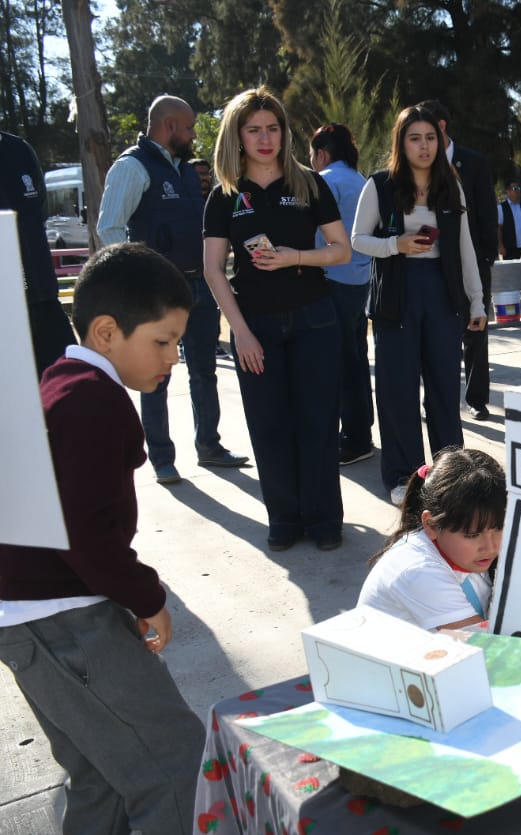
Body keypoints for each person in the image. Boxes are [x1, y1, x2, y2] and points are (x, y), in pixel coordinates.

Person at [0, 243, 206, 835]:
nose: (173, 357)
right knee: (175, 760)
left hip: (32, 615)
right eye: (163, 342)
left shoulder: (61, 382)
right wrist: (147, 596)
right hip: (62, 618)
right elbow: (83, 528)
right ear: (107, 332)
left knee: (102, 775)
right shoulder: (95, 398)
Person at [203, 87, 352, 552]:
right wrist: (240, 333)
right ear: (238, 136)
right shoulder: (225, 195)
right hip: (257, 329)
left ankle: (325, 519)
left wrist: (295, 258)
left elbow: (342, 250)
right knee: (269, 426)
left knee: (318, 422)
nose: (265, 139)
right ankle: (285, 520)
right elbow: (212, 269)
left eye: (273, 128)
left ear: (284, 133)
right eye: (254, 130)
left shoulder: (309, 182)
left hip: (315, 321)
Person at [97, 95, 249, 484]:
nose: (193, 133)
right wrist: (135, 278)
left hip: (198, 284)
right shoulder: (132, 167)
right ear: (169, 127)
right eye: (189, 127)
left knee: (205, 370)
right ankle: (162, 458)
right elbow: (110, 228)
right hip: (157, 294)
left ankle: (209, 446)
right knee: (156, 376)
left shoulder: (182, 169)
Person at [351, 104, 487, 505]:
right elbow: (358, 239)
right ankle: (403, 477)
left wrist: (476, 301)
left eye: (430, 138)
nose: (424, 146)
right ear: (401, 142)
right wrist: (397, 245)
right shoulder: (380, 184)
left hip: (442, 293)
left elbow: (465, 246)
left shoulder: (451, 185)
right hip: (396, 292)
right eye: (415, 138)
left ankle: (451, 474)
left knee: (445, 386)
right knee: (398, 389)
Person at [358, 448, 505, 631]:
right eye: (472, 535)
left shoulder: (459, 553)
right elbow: (490, 649)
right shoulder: (419, 573)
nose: (491, 546)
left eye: (499, 528)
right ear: (431, 525)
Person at [420, 99, 499, 422]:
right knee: (436, 334)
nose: (422, 142)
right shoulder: (417, 166)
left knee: (476, 332)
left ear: (441, 128)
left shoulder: (473, 162)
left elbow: (487, 210)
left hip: (473, 260)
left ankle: (477, 398)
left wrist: (486, 257)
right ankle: (437, 399)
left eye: (428, 133)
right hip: (433, 262)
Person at [310, 123, 375, 466]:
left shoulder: (325, 181)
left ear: (321, 153)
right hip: (360, 279)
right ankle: (360, 430)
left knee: (339, 363)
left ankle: (354, 438)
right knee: (355, 358)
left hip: (332, 278)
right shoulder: (360, 180)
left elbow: (318, 235)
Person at [0, 131, 77, 376]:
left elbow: (38, 212)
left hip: (42, 295)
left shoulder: (20, 149)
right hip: (5, 308)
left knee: (70, 382)